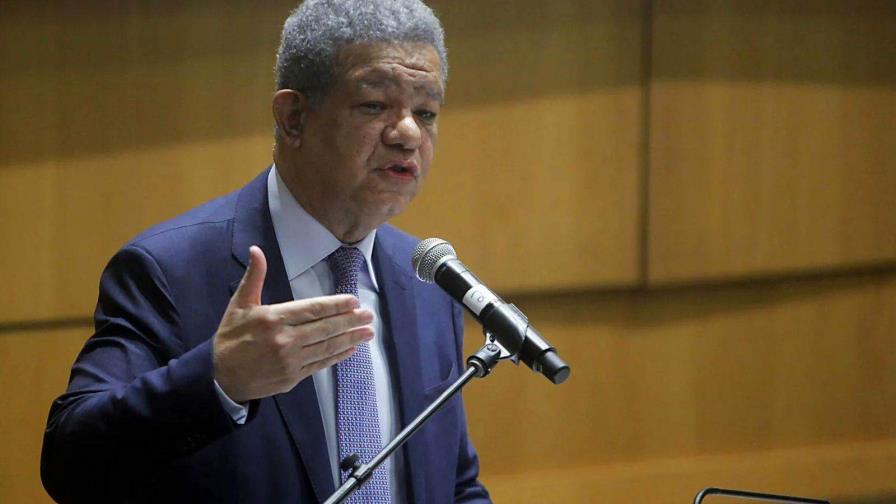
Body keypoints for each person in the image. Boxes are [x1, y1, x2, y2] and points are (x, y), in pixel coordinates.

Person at [40, 1, 491, 502]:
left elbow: (453, 484)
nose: (408, 134)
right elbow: (69, 461)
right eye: (374, 106)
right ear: (294, 117)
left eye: (425, 112)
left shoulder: (428, 281)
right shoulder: (169, 271)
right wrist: (219, 380)